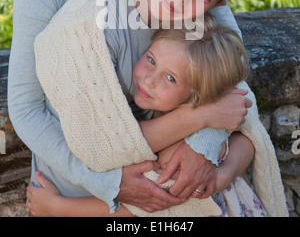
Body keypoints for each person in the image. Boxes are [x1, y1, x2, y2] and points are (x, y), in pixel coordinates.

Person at [27, 0, 288, 216]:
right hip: (71, 190)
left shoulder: (194, 31)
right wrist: (201, 116)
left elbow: (241, 106)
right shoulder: (97, 26)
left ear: (217, 4)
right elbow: (105, 146)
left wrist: (219, 168)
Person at [27, 15, 268, 217]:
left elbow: (142, 210)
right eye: (151, 60)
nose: (149, 80)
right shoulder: (172, 116)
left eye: (171, 78)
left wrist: (57, 207)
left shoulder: (181, 153)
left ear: (197, 96)